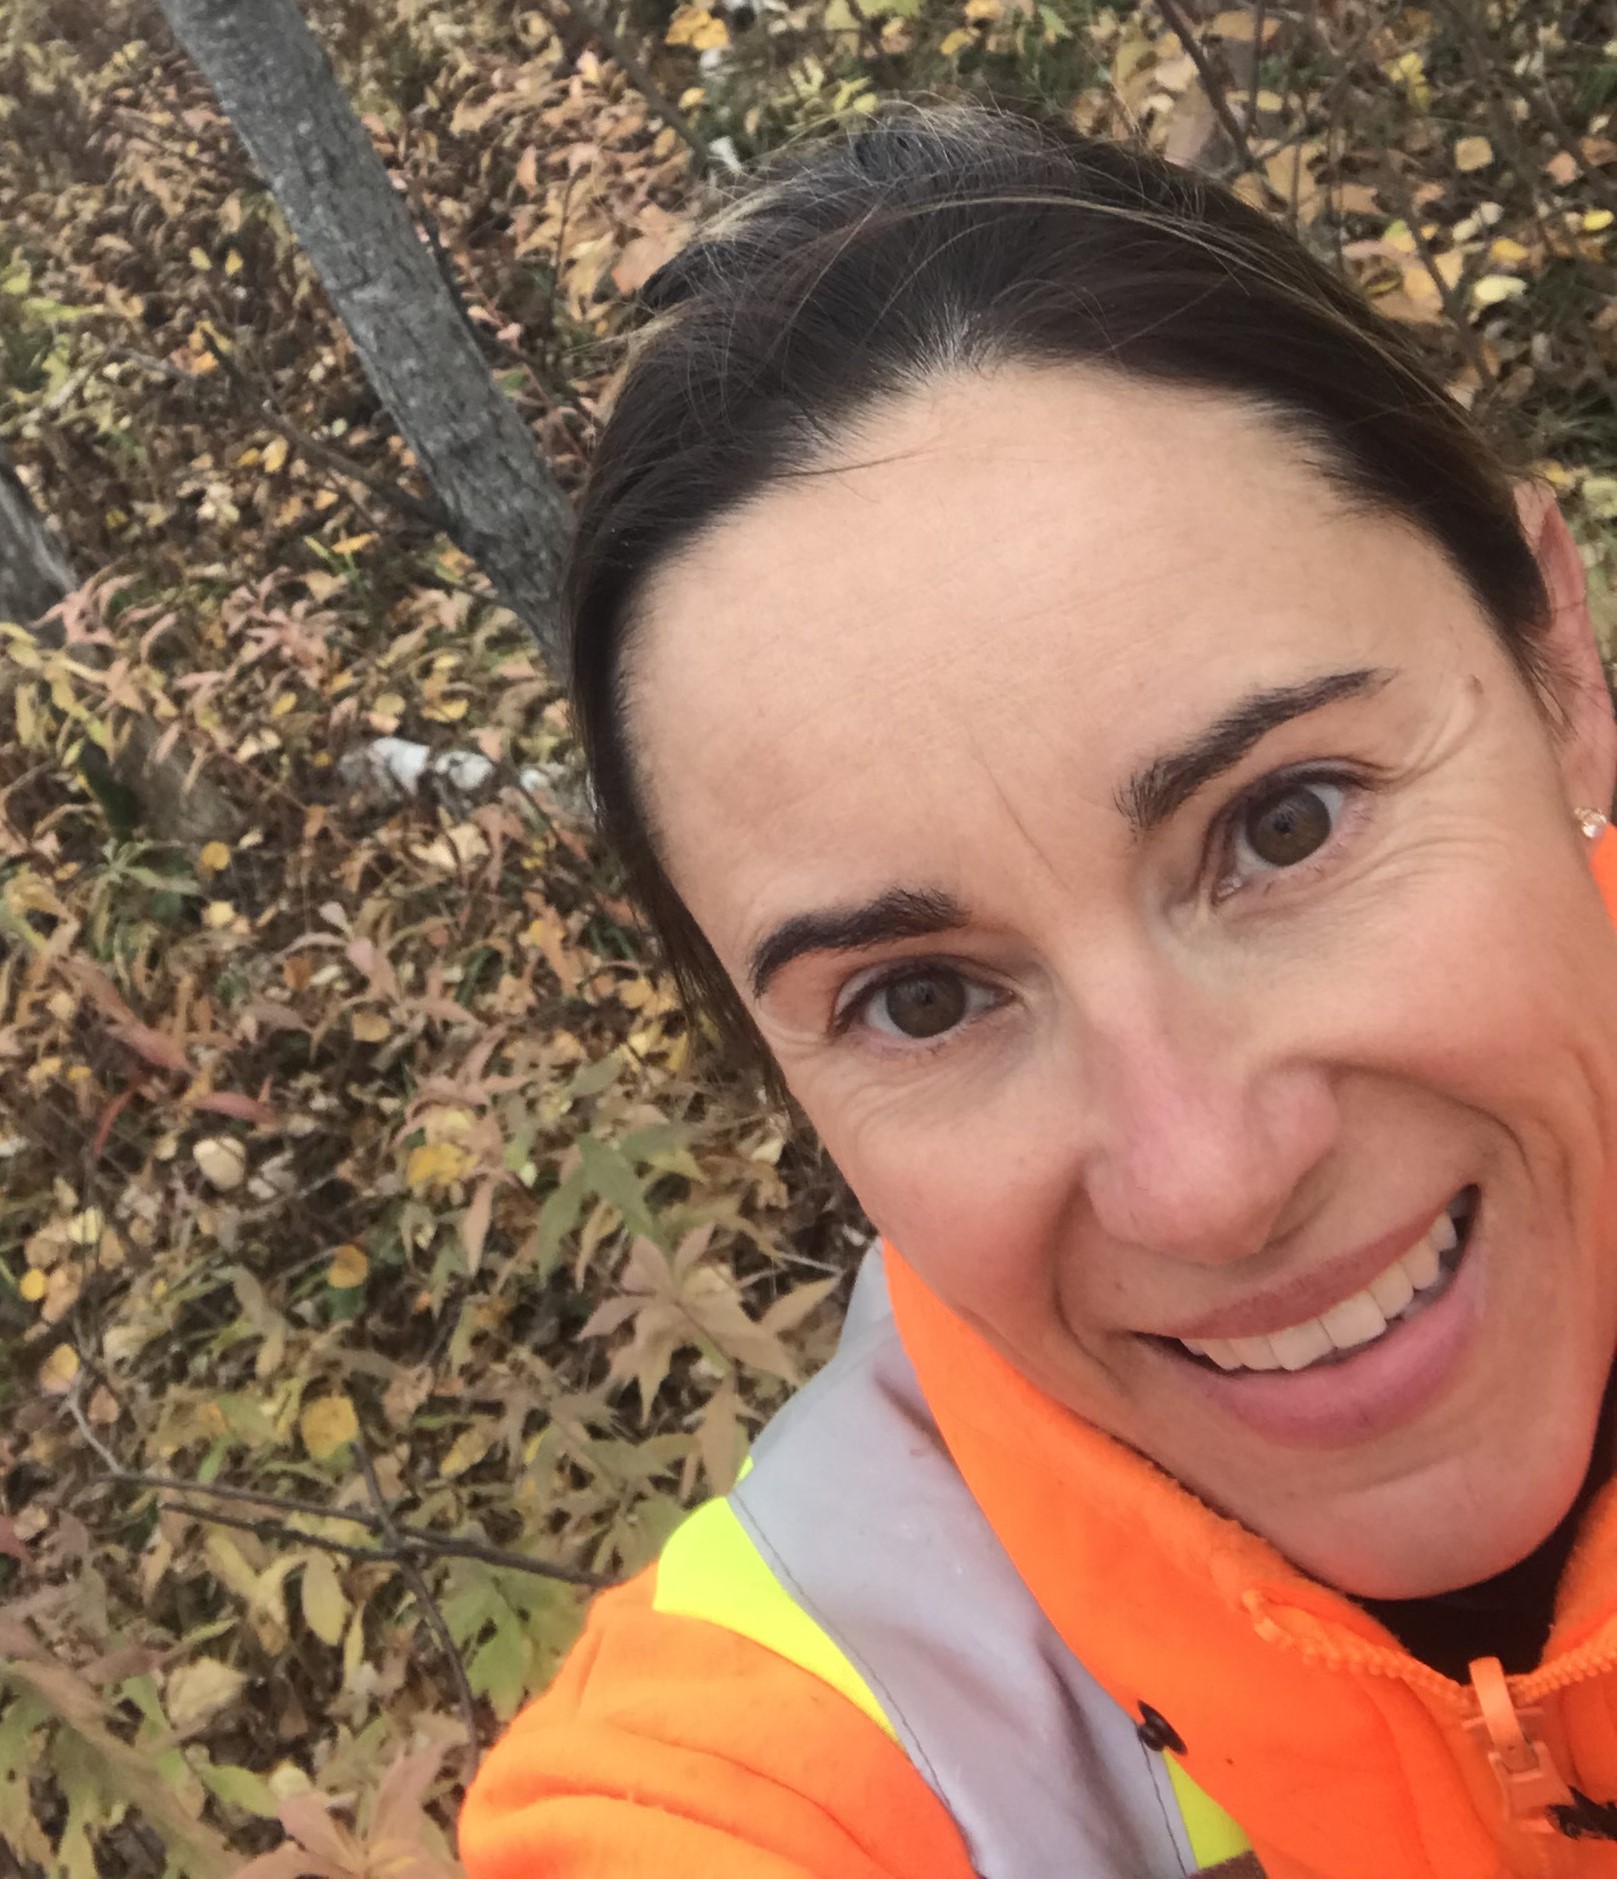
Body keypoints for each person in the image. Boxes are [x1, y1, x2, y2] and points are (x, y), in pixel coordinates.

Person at [457, 106, 1617, 1878]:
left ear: (1556, 667)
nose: (1207, 1180)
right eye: (921, 1001)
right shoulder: (778, 1765)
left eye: (1284, 823)